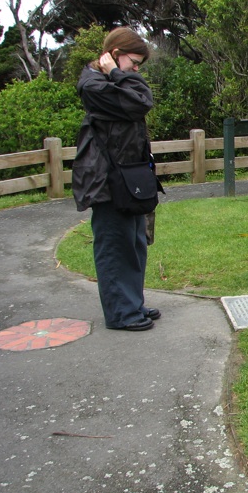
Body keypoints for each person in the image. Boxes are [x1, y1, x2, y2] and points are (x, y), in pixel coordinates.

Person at [71, 27, 160, 331]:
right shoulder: (93, 85)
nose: (137, 70)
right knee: (114, 246)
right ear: (115, 55)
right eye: (133, 62)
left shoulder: (113, 81)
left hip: (128, 177)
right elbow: (141, 102)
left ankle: (132, 303)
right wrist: (118, 75)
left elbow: (139, 97)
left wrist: (120, 75)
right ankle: (121, 313)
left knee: (135, 243)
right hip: (106, 181)